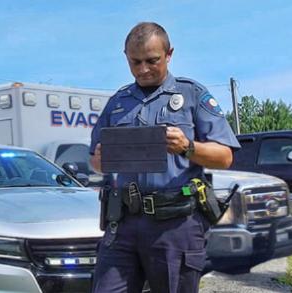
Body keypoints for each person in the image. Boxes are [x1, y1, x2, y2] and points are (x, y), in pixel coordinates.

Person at [89, 22, 240, 293]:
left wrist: (187, 146)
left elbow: (225, 156)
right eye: (135, 62)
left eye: (152, 60)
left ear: (169, 54)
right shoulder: (118, 102)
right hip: (122, 224)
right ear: (126, 57)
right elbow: (95, 161)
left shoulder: (191, 95)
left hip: (174, 225)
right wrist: (100, 160)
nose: (143, 69)